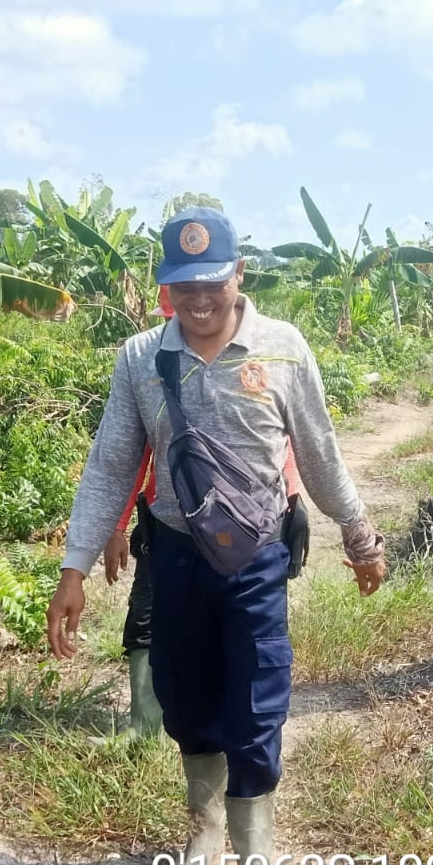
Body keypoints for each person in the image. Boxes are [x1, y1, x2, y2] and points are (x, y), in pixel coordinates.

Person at [47, 207, 385, 865]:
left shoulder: (284, 349)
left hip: (257, 556)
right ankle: (203, 827)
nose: (198, 300)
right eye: (181, 286)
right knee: (184, 694)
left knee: (257, 707)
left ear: (239, 275)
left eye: (211, 282)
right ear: (164, 290)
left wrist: (359, 534)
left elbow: (320, 450)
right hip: (174, 555)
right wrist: (72, 571)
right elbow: (110, 464)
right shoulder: (140, 358)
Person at [100, 285, 309, 741]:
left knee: (248, 644)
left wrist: (291, 502)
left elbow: (286, 443)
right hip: (171, 528)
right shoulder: (147, 362)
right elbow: (127, 460)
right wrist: (115, 527)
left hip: (250, 530)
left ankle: (238, 736)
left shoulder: (271, 353)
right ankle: (145, 722)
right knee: (147, 618)